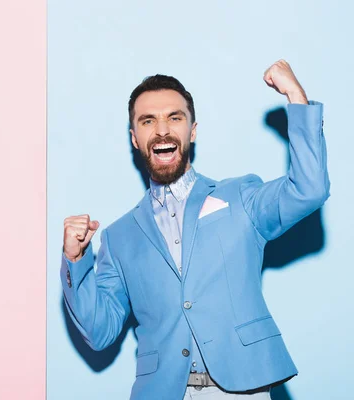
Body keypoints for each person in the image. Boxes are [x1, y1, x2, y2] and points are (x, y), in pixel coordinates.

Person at [61, 60, 329, 400]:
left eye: (174, 117)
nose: (162, 130)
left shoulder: (240, 196)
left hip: (243, 388)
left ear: (193, 130)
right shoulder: (118, 237)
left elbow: (309, 190)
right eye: (148, 121)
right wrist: (76, 259)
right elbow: (99, 332)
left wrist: (296, 97)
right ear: (134, 137)